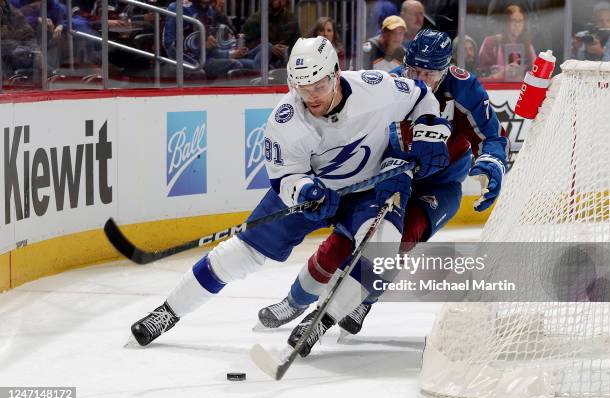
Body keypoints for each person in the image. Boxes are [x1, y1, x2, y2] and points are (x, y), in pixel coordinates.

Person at [128, 36, 452, 351]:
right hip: (316, 191)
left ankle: (320, 323)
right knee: (242, 253)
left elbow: (422, 94)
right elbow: (284, 178)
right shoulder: (285, 121)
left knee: (381, 250)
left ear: (336, 75)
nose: (311, 97)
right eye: (302, 88)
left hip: (370, 189)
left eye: (319, 87)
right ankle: (167, 312)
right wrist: (304, 190)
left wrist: (428, 129)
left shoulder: (377, 89)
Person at [258, 29, 508, 348]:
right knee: (344, 239)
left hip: (440, 186)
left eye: (428, 74)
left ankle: (357, 303)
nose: (419, 79)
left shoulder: (464, 89)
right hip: (392, 176)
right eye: (413, 70)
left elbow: (493, 138)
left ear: (445, 70)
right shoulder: (389, 86)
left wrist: (490, 162)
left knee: (397, 244)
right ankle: (295, 300)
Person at [478, 4, 536, 81]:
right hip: (495, 90)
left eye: (520, 21)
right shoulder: (491, 42)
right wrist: (499, 75)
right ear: (506, 23)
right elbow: (481, 76)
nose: (517, 25)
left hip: (520, 89)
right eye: (514, 21)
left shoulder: (528, 46)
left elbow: (535, 73)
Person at [241, 0, 300, 69]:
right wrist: (270, 48)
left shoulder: (291, 19)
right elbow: (245, 46)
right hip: (260, 61)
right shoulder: (256, 20)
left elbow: (297, 45)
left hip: (285, 61)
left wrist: (287, 50)